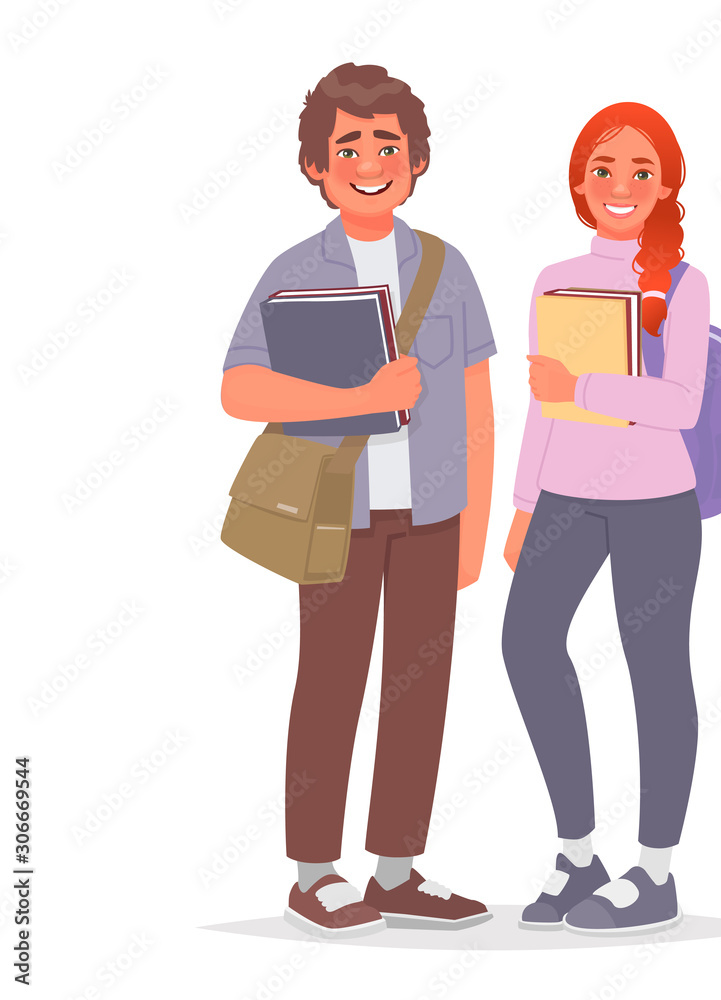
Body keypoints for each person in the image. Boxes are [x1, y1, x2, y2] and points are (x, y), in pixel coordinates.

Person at [221, 63, 496, 938]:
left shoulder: (449, 269)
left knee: (422, 690)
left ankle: (396, 870)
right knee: (331, 684)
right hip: (334, 512)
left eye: (389, 144)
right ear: (316, 165)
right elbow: (240, 391)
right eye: (350, 144)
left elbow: (482, 406)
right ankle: (313, 873)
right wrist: (355, 401)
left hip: (433, 510)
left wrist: (475, 529)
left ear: (415, 160)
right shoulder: (295, 269)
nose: (370, 159)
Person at [502, 103, 709, 935]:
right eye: (603, 169)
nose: (620, 186)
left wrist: (583, 389)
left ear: (664, 188)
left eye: (640, 172)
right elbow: (538, 409)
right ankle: (578, 853)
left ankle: (654, 872)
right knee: (526, 644)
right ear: (579, 184)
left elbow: (681, 405)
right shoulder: (554, 278)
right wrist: (522, 506)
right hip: (567, 497)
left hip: (657, 498)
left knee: (653, 668)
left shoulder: (684, 287)